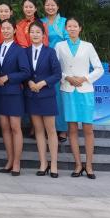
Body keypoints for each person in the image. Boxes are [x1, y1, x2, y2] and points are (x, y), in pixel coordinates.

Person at [57, 16, 104, 179]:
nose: (72, 29)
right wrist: (67, 77)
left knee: (88, 129)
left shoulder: (88, 46)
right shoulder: (59, 46)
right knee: (72, 128)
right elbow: (54, 68)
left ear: (80, 28)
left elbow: (99, 68)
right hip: (68, 90)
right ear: (65, 29)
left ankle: (89, 165)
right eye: (69, 26)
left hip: (85, 90)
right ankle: (78, 165)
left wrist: (85, 78)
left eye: (75, 26)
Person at [0, 18, 32, 176]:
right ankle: (9, 160)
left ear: (15, 30)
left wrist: (8, 77)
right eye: (3, 28)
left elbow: (25, 72)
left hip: (14, 93)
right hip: (0, 92)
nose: (5, 31)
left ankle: (17, 162)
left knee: (15, 128)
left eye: (8, 28)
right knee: (5, 128)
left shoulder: (19, 50)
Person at [26, 20, 62, 177]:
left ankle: (54, 164)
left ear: (43, 35)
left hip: (46, 95)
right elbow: (23, 71)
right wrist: (29, 82)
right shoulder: (25, 52)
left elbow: (57, 74)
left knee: (51, 130)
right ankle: (43, 163)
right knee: (39, 131)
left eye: (38, 32)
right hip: (32, 95)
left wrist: (43, 83)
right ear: (29, 34)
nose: (35, 35)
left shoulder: (50, 52)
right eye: (32, 32)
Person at [43, 0, 68, 138]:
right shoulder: (41, 22)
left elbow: (68, 40)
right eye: (47, 5)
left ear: (58, 7)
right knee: (47, 96)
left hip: (60, 62)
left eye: (53, 5)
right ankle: (48, 128)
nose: (50, 7)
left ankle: (62, 128)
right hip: (44, 62)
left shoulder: (64, 22)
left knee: (60, 96)